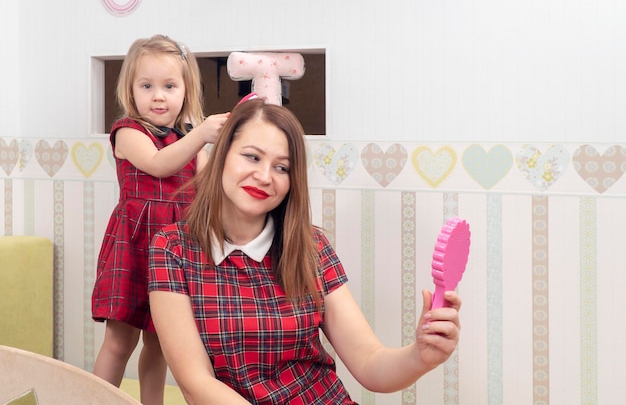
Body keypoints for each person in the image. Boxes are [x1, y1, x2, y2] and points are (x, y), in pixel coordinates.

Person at [147, 99, 462, 405]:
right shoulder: (172, 249)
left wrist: (420, 356)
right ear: (222, 157)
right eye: (252, 157)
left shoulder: (312, 248)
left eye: (281, 167)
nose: (265, 176)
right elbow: (196, 384)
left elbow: (370, 362)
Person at [91, 34, 230, 405]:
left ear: (186, 91)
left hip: (174, 253)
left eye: (169, 86)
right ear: (130, 91)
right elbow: (157, 164)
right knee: (120, 342)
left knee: (161, 343)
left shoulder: (187, 138)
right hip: (134, 248)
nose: (158, 95)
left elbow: (208, 187)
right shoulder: (128, 133)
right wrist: (202, 134)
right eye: (147, 86)